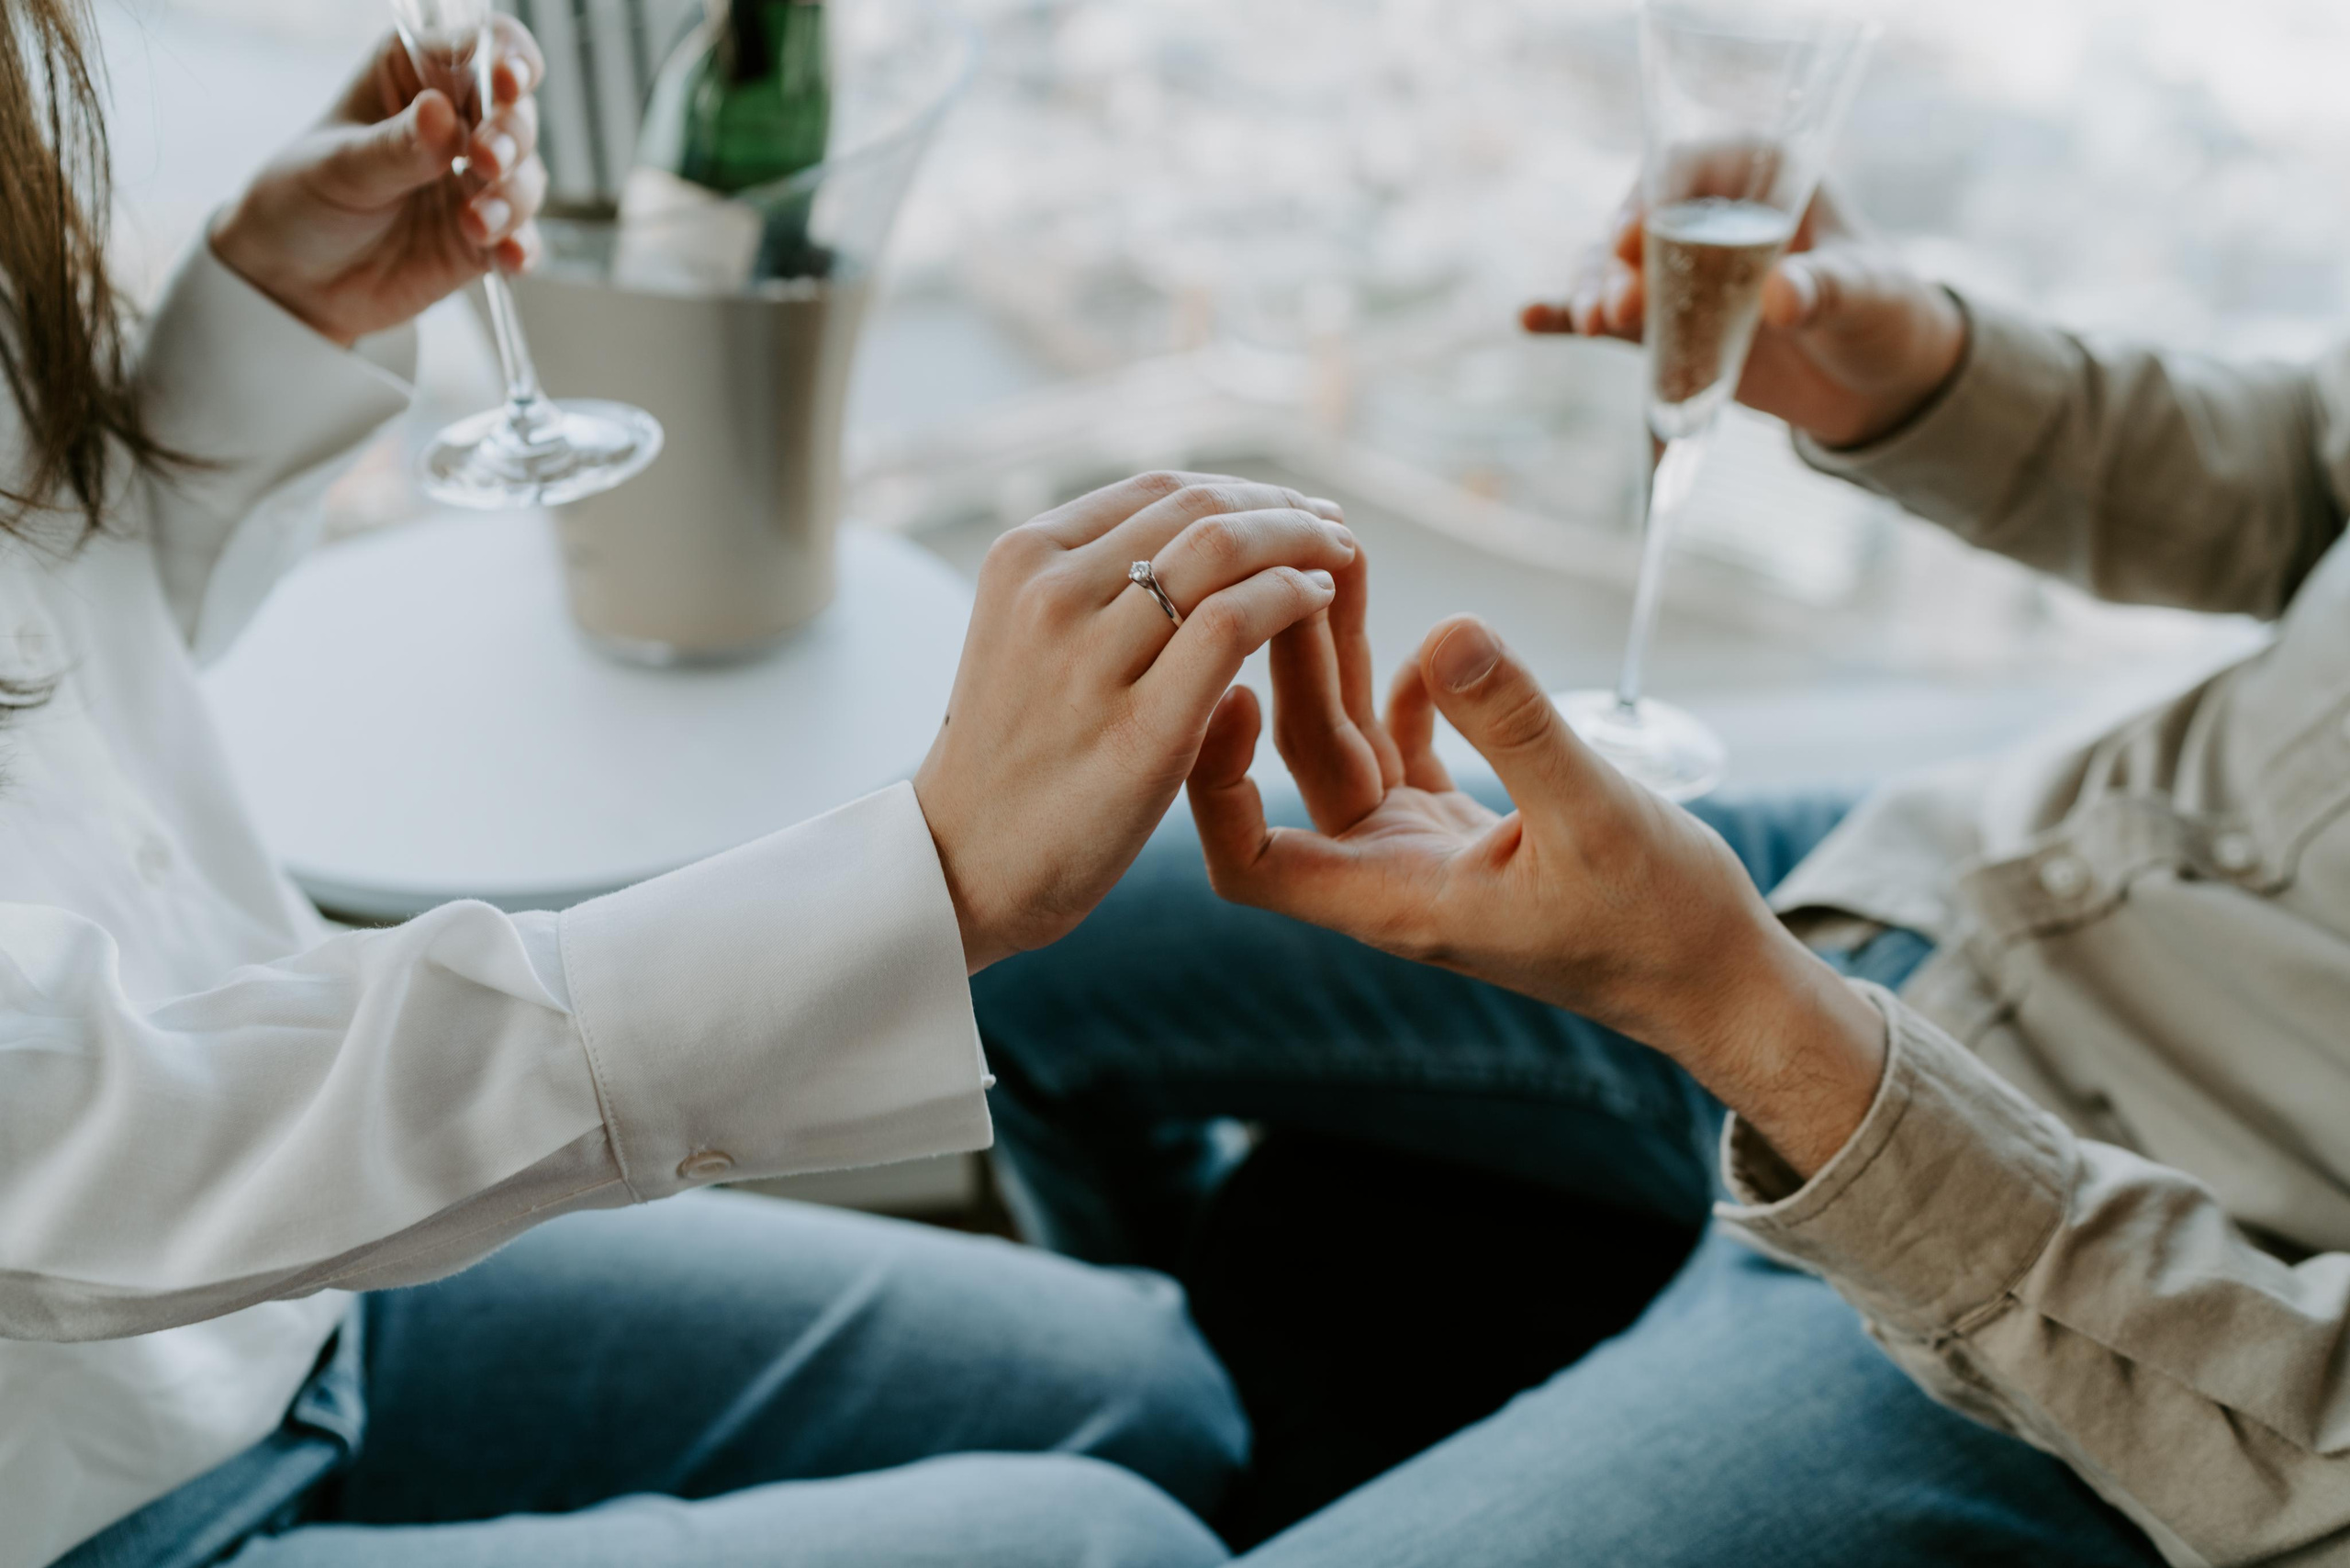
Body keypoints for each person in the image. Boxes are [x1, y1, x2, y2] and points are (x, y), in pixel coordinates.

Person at [0, 10, 1365, 1567]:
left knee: (1148, 1391)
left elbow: (57, 674)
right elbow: (58, 1137)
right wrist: (907, 888)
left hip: (304, 1289)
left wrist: (264, 322)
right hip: (83, 1491)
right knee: (1107, 1543)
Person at [975, 184, 2350, 1565]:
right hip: (1904, 880)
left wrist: (1746, 1014)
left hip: (2094, 1302)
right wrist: (1934, 378)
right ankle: (1191, 1421)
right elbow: (2308, 474)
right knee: (1029, 936)